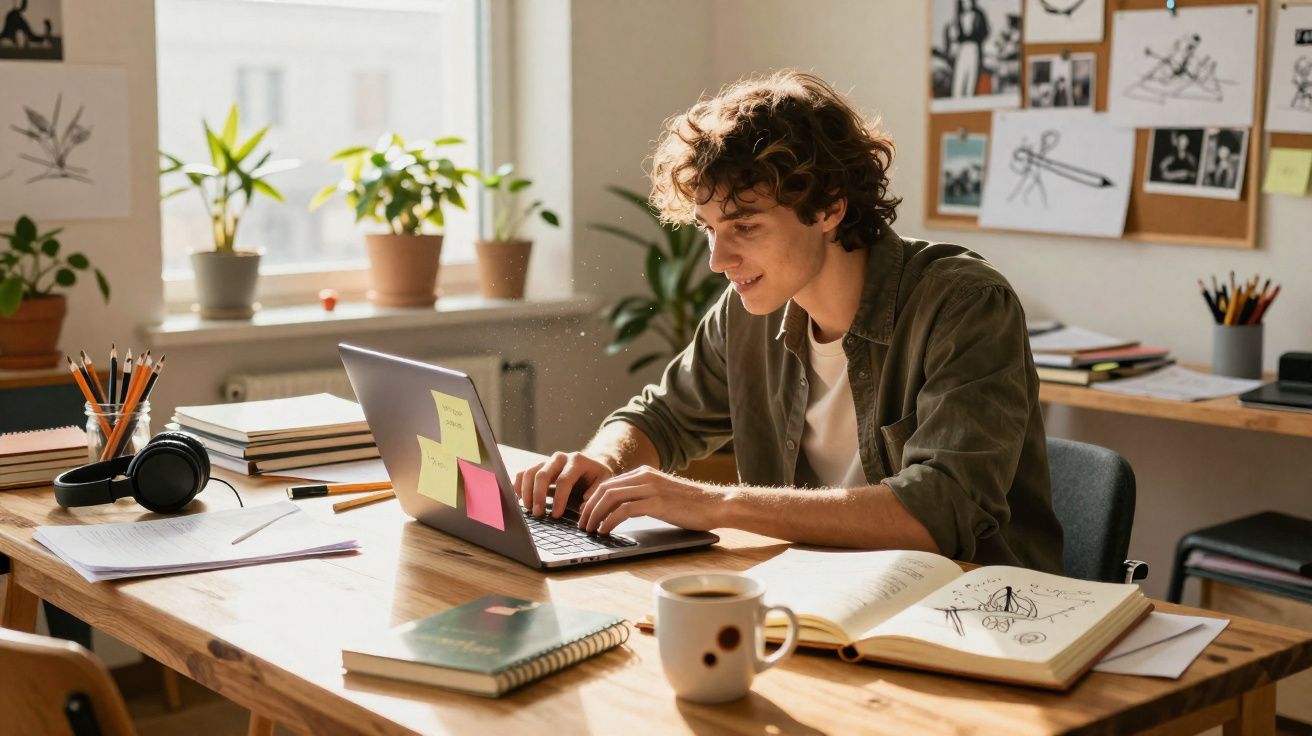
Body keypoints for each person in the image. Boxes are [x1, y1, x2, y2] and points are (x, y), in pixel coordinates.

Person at [514, 70, 1063, 572]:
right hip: (824, 590)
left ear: (828, 209)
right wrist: (600, 462)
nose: (716, 261)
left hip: (980, 611)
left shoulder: (964, 304)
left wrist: (717, 503)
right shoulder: (750, 308)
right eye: (708, 229)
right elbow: (661, 418)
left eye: (745, 227)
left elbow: (937, 513)